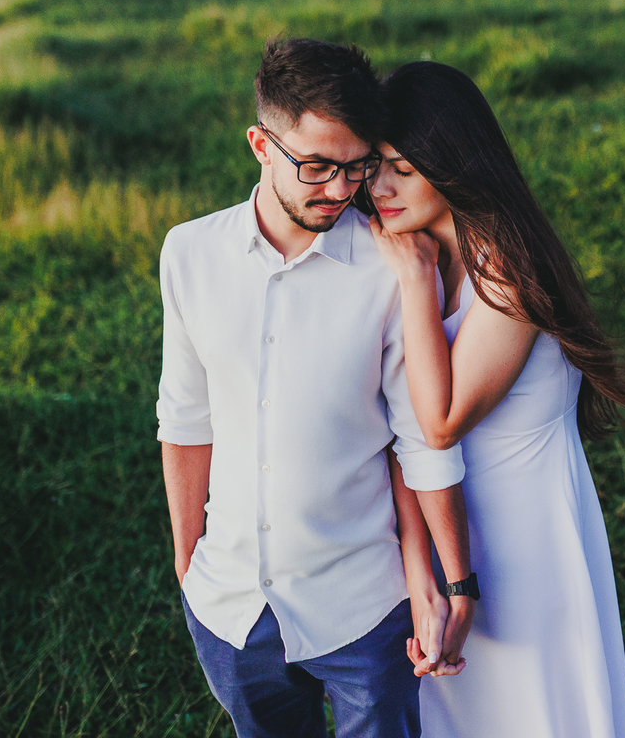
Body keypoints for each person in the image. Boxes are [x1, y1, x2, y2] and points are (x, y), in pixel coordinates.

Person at [156, 39, 475, 738]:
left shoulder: (388, 267)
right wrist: (188, 563)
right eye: (317, 167)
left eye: (356, 168)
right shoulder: (189, 253)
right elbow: (184, 419)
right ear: (260, 146)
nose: (340, 190)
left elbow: (419, 439)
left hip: (362, 608)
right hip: (230, 610)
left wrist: (453, 582)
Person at [367, 61, 625, 738]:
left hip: (525, 535)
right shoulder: (409, 241)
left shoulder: (507, 268)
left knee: (531, 707)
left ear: (454, 163)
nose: (380, 187)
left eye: (403, 169)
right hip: (442, 522)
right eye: (375, 165)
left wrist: (412, 281)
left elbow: (436, 421)